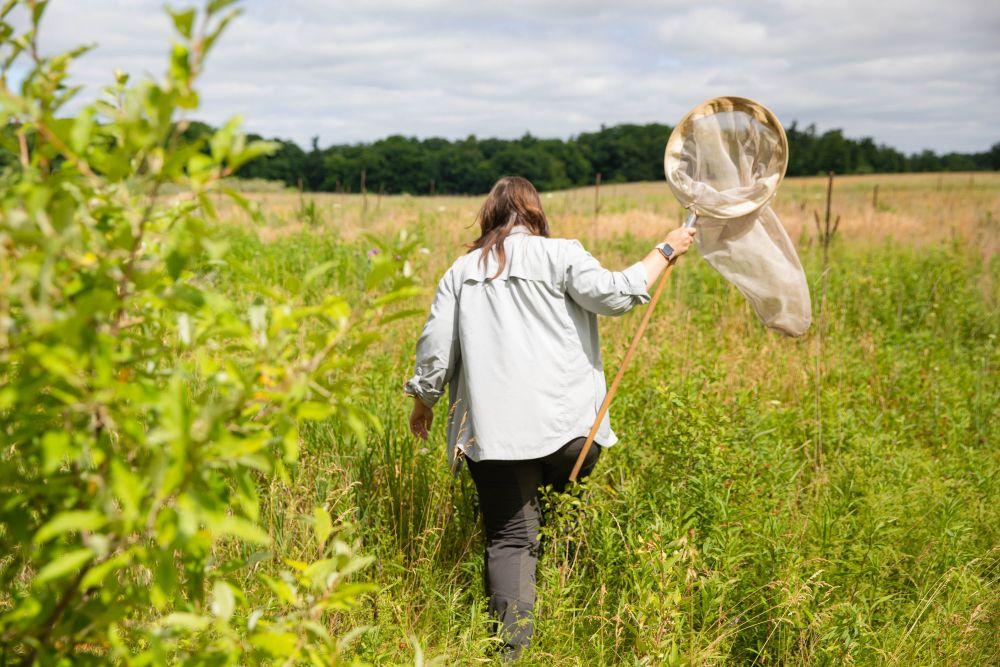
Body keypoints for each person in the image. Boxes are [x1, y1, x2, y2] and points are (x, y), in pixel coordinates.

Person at [403, 175, 695, 659]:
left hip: (495, 438)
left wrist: (424, 402)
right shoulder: (563, 253)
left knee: (512, 536)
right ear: (535, 215)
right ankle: (563, 583)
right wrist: (665, 249)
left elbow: (435, 350)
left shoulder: (462, 270)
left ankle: (511, 652)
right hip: (573, 434)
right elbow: (618, 293)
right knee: (552, 512)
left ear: (489, 217)